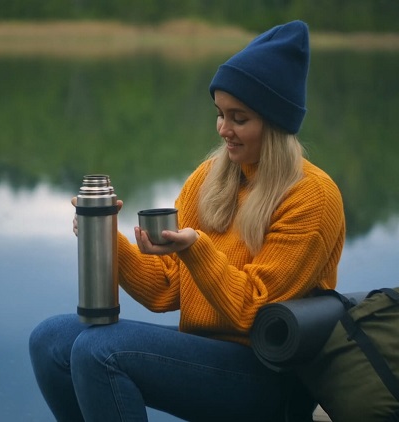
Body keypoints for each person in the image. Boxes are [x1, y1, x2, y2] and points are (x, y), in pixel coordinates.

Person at [29, 20, 345, 421]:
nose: (223, 130)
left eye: (239, 118)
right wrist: (107, 239)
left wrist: (197, 249)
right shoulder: (210, 180)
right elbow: (166, 289)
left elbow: (256, 310)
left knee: (100, 350)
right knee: (50, 339)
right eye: (219, 114)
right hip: (204, 358)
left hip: (271, 377)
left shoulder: (311, 196)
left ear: (276, 122)